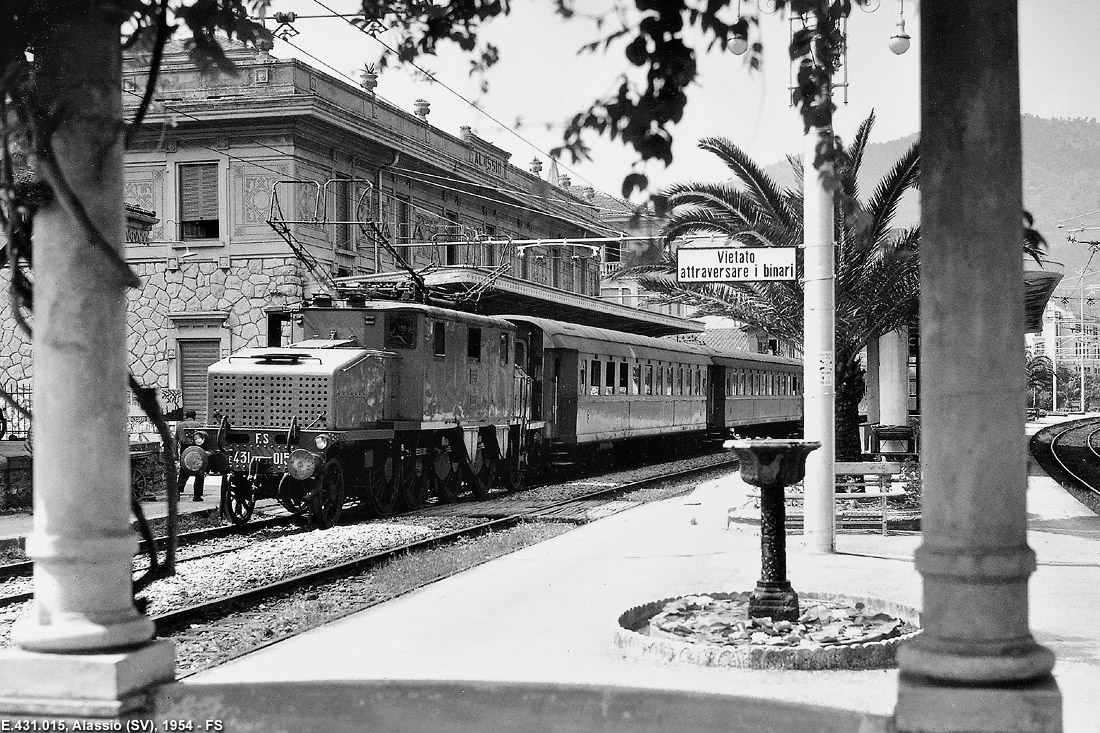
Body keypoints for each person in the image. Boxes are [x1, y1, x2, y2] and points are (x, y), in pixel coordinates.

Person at [175, 409, 205, 501]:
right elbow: (203, 440)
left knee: (183, 472)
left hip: (185, 450)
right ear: (194, 416)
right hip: (197, 449)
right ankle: (197, 496)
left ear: (186, 416)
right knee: (199, 472)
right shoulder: (199, 425)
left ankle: (177, 493)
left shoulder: (180, 425)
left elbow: (175, 441)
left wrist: (176, 454)